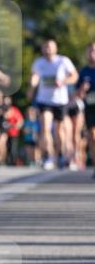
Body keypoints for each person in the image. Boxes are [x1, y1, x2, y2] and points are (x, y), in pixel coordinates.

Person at [27, 39, 78, 170]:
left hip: (60, 100)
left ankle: (60, 154)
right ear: (43, 49)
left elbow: (74, 76)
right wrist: (32, 87)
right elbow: (35, 76)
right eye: (46, 47)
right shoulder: (39, 63)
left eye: (50, 47)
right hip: (44, 100)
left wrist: (63, 81)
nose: (48, 49)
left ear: (55, 49)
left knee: (59, 130)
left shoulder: (63, 61)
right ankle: (49, 156)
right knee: (45, 127)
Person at [76, 41, 95, 178]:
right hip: (90, 108)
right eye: (90, 51)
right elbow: (78, 94)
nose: (92, 53)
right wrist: (82, 89)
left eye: (94, 50)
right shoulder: (84, 71)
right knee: (93, 137)